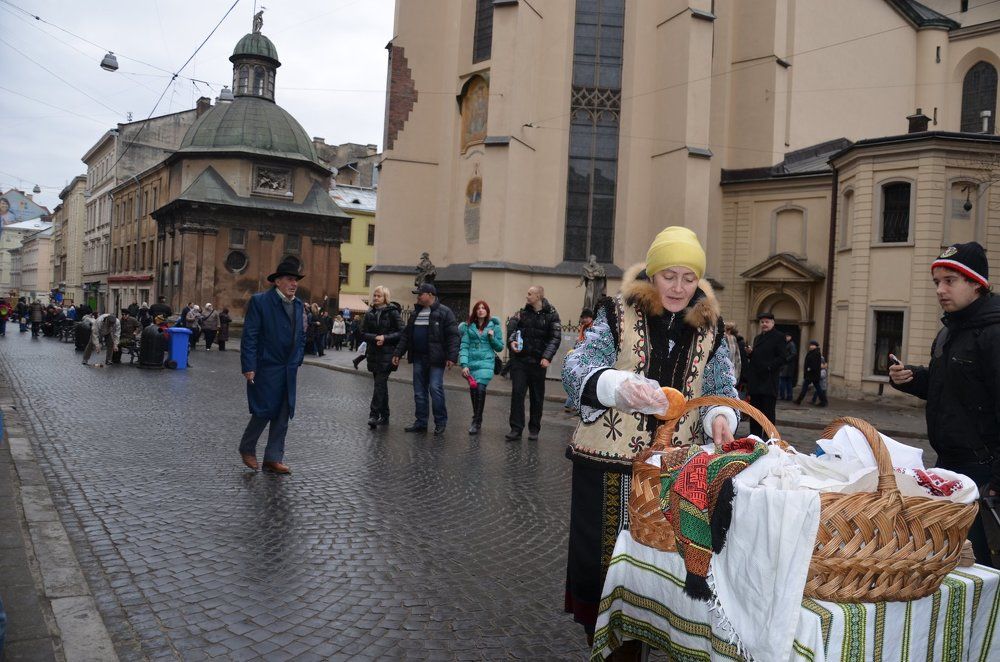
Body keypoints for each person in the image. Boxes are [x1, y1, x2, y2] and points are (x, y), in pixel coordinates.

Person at [561, 226, 739, 647]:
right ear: (652, 274)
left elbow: (723, 390)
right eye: (669, 275)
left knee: (664, 565)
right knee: (603, 566)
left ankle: (654, 637)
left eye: (688, 277)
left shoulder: (711, 328)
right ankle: (604, 642)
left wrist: (720, 416)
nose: (678, 287)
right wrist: (613, 386)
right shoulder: (615, 312)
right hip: (608, 466)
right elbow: (575, 367)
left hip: (674, 472)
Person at [890, 241, 1000, 567]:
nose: (940, 289)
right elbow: (947, 387)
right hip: (948, 463)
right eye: (937, 282)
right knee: (948, 560)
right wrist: (911, 378)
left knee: (981, 565)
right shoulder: (948, 331)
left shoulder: (993, 334)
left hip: (984, 473)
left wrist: (996, 483)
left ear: (977, 283)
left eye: (950, 280)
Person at [239, 260, 307, 475]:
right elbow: (250, 336)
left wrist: (298, 358)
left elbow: (301, 334)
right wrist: (249, 365)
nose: (293, 283)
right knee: (264, 409)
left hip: (289, 367)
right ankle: (247, 448)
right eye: (289, 279)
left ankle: (273, 457)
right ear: (277, 281)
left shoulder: (298, 304)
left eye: (295, 280)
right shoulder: (261, 301)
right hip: (267, 365)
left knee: (283, 412)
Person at [392, 283, 460, 436]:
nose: (417, 297)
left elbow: (453, 336)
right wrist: (397, 353)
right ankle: (421, 422)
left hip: (436, 359)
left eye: (420, 294)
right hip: (418, 357)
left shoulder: (445, 312)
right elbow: (406, 336)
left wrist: (451, 356)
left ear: (430, 294)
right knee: (419, 392)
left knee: (435, 389)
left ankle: (440, 422)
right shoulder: (415, 313)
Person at [504, 285, 561, 441]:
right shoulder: (521, 313)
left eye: (530, 294)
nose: (527, 296)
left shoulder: (551, 315)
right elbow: (512, 330)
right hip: (520, 361)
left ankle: (534, 429)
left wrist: (546, 357)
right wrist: (511, 342)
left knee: (537, 397)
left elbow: (555, 338)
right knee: (517, 393)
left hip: (538, 363)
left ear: (538, 296)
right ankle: (516, 429)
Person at [359, 286, 403, 427]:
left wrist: (385, 337)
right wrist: (375, 338)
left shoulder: (393, 313)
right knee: (381, 385)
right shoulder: (369, 312)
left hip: (388, 354)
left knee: (379, 384)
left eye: (379, 296)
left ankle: (374, 415)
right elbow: (363, 333)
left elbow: (402, 332)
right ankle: (385, 415)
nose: (376, 298)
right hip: (373, 354)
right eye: (375, 295)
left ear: (385, 298)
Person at [459, 300, 504, 435]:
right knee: (473, 390)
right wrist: (464, 364)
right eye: (478, 308)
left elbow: (500, 347)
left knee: (480, 388)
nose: (480, 310)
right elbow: (464, 346)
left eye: (483, 308)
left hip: (486, 362)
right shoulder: (468, 327)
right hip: (471, 363)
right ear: (475, 311)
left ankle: (476, 421)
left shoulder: (494, 326)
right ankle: (477, 417)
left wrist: (491, 338)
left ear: (487, 311)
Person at [744, 312, 785, 437]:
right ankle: (755, 438)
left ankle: (768, 439)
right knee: (755, 413)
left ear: (773, 323)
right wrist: (750, 353)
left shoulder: (779, 336)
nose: (764, 324)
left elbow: (782, 357)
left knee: (768, 413)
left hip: (768, 381)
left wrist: (769, 367)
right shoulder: (758, 338)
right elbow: (758, 356)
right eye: (762, 322)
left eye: (767, 322)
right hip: (756, 382)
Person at [564, 309, 595, 413]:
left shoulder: (593, 327)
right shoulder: (584, 327)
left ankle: (573, 405)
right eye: (584, 317)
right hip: (581, 356)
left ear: (591, 318)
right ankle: (572, 405)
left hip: (587, 357)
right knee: (578, 380)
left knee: (581, 380)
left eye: (587, 317)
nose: (585, 319)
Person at [795, 340, 828, 407]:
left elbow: (815, 364)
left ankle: (799, 400)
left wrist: (809, 368)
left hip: (812, 374)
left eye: (812, 345)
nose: (811, 346)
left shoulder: (816, 353)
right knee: (818, 388)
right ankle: (824, 401)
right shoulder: (812, 352)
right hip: (812, 374)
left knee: (806, 387)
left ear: (815, 346)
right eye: (810, 345)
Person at [778, 333, 798, 401]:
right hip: (786, 366)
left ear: (790, 337)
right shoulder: (787, 344)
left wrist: (786, 359)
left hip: (787, 366)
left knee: (783, 381)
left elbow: (794, 353)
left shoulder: (791, 344)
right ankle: (788, 396)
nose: (786, 337)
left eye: (787, 336)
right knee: (787, 381)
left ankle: (784, 395)